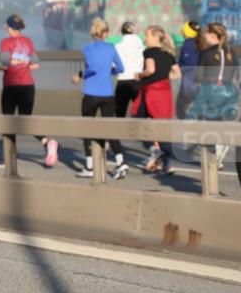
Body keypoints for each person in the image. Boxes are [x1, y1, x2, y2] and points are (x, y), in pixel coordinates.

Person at [0, 14, 59, 168]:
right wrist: (23, 64)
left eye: (6, 26)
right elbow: (35, 65)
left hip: (11, 86)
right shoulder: (28, 42)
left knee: (7, 121)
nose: (5, 29)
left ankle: (7, 157)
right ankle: (47, 142)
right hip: (28, 86)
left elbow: (5, 64)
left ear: (9, 27)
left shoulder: (5, 42)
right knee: (26, 119)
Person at [71, 18, 128, 180]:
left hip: (91, 93)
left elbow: (92, 69)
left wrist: (80, 75)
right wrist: (107, 73)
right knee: (110, 128)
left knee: (87, 129)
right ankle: (120, 162)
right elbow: (121, 68)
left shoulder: (88, 48)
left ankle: (90, 166)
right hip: (108, 94)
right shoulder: (111, 48)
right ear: (105, 33)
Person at [187, 23, 239, 169]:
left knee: (207, 125)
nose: (204, 35)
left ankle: (215, 149)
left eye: (206, 33)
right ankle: (221, 145)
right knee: (220, 122)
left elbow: (198, 76)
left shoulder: (206, 53)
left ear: (213, 35)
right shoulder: (232, 52)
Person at [133, 26, 181, 175]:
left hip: (151, 92)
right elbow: (177, 74)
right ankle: (167, 164)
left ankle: (155, 151)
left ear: (154, 37)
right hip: (165, 92)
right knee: (163, 127)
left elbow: (151, 69)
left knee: (138, 122)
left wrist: (140, 75)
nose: (145, 38)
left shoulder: (149, 52)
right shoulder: (169, 54)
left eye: (147, 35)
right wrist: (164, 78)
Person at [113, 21, 144, 117]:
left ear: (122, 32)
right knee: (139, 114)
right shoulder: (141, 46)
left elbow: (114, 65)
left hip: (123, 81)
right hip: (138, 81)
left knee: (120, 114)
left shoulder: (117, 46)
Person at [176, 20, 202, 119]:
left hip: (189, 84)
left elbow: (189, 65)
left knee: (181, 110)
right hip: (198, 84)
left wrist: (177, 69)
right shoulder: (199, 43)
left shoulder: (188, 46)